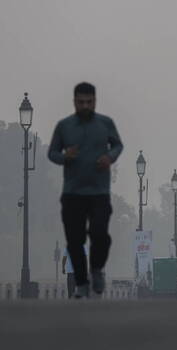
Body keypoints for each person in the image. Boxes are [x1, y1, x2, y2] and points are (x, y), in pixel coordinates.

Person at [48, 82, 123, 299]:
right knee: (75, 240)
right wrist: (65, 157)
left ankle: (97, 269)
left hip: (99, 192)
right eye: (80, 102)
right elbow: (52, 153)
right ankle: (81, 283)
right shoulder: (64, 126)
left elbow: (118, 145)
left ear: (95, 101)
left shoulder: (105, 124)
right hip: (73, 192)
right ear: (74, 102)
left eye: (89, 102)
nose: (85, 106)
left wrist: (110, 157)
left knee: (100, 234)